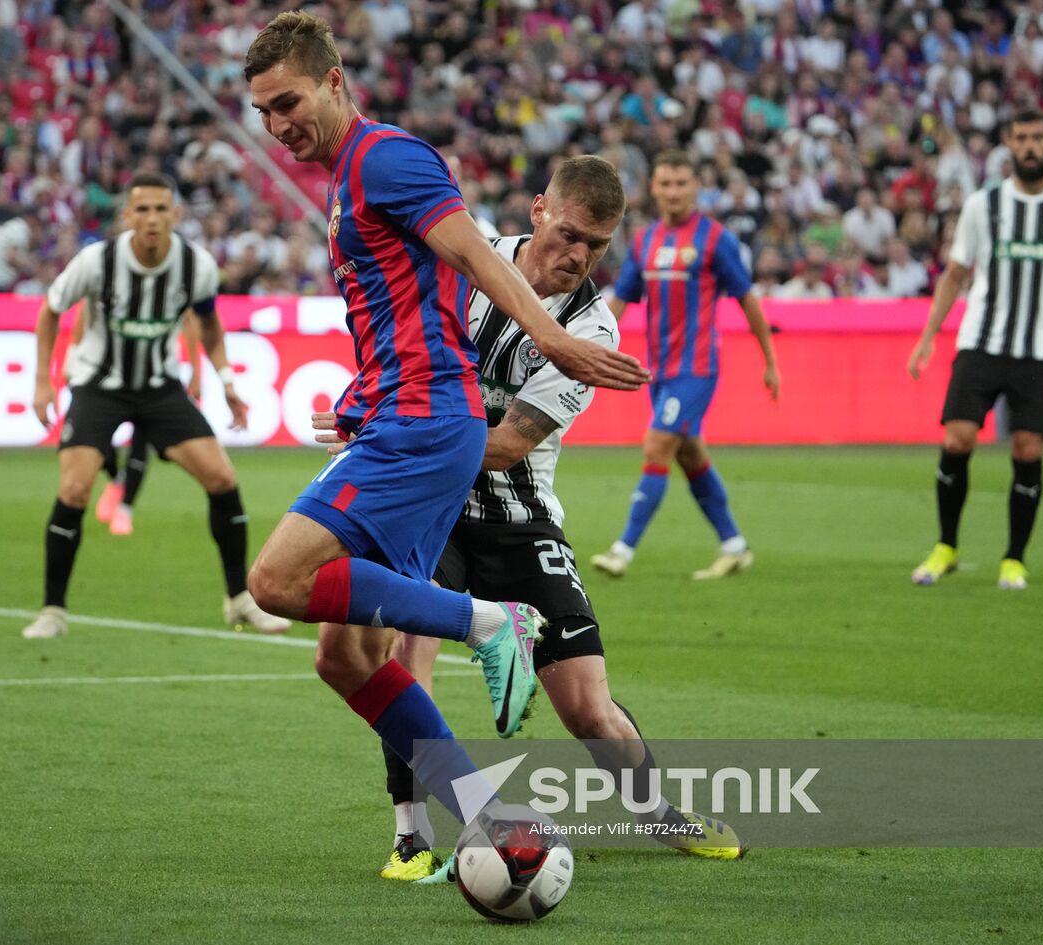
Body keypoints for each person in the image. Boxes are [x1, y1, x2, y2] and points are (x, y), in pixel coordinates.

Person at [242, 12, 650, 830]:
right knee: (346, 654)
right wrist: (359, 403)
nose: (278, 125)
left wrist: (552, 338)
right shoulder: (346, 178)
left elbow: (468, 252)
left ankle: (494, 620)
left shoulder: (387, 157)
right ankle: (486, 823)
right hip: (411, 413)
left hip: (428, 420)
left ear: (332, 81)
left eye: (288, 102)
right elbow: (411, 303)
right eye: (263, 113)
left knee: (275, 582)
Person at [311, 156, 745, 881]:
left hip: (520, 521)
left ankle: (658, 810)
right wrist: (381, 416)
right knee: (402, 656)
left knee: (587, 709)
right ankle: (411, 835)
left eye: (599, 246)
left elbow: (510, 443)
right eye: (571, 233)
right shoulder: (468, 263)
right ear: (540, 209)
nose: (579, 255)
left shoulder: (592, 331)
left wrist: (399, 433)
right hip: (434, 510)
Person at [21, 171, 289, 639]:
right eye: (141, 209)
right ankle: (52, 611)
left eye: (160, 209)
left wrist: (226, 381)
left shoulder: (196, 265)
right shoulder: (97, 260)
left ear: (176, 215)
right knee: (75, 489)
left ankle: (239, 600)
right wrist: (42, 380)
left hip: (160, 386)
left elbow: (208, 324)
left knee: (222, 477)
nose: (151, 218)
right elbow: (50, 310)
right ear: (127, 216)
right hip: (99, 385)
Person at [591, 149, 780, 581]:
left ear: (696, 186)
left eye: (681, 183)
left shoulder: (716, 239)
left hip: (697, 368)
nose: (673, 192)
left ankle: (623, 550)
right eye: (665, 184)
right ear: (653, 188)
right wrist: (583, 341)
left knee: (657, 446)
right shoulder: (644, 241)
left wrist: (770, 360)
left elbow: (748, 299)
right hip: (658, 371)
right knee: (690, 454)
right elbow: (619, 298)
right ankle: (734, 545)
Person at [907, 108, 1043, 591]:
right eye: (1023, 138)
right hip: (981, 342)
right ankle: (946, 545)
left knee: (1028, 447)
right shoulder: (983, 205)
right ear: (1009, 145)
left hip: (1040, 348)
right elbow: (956, 274)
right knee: (957, 438)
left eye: (1039, 137)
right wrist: (928, 337)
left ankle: (1014, 558)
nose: (1031, 146)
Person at [91, 296, 202, 537]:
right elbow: (88, 315)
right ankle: (116, 479)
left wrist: (196, 371)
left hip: (155, 380)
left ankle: (125, 509)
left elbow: (190, 320)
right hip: (112, 375)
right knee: (97, 438)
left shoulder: (173, 281)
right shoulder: (113, 277)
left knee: (140, 445)